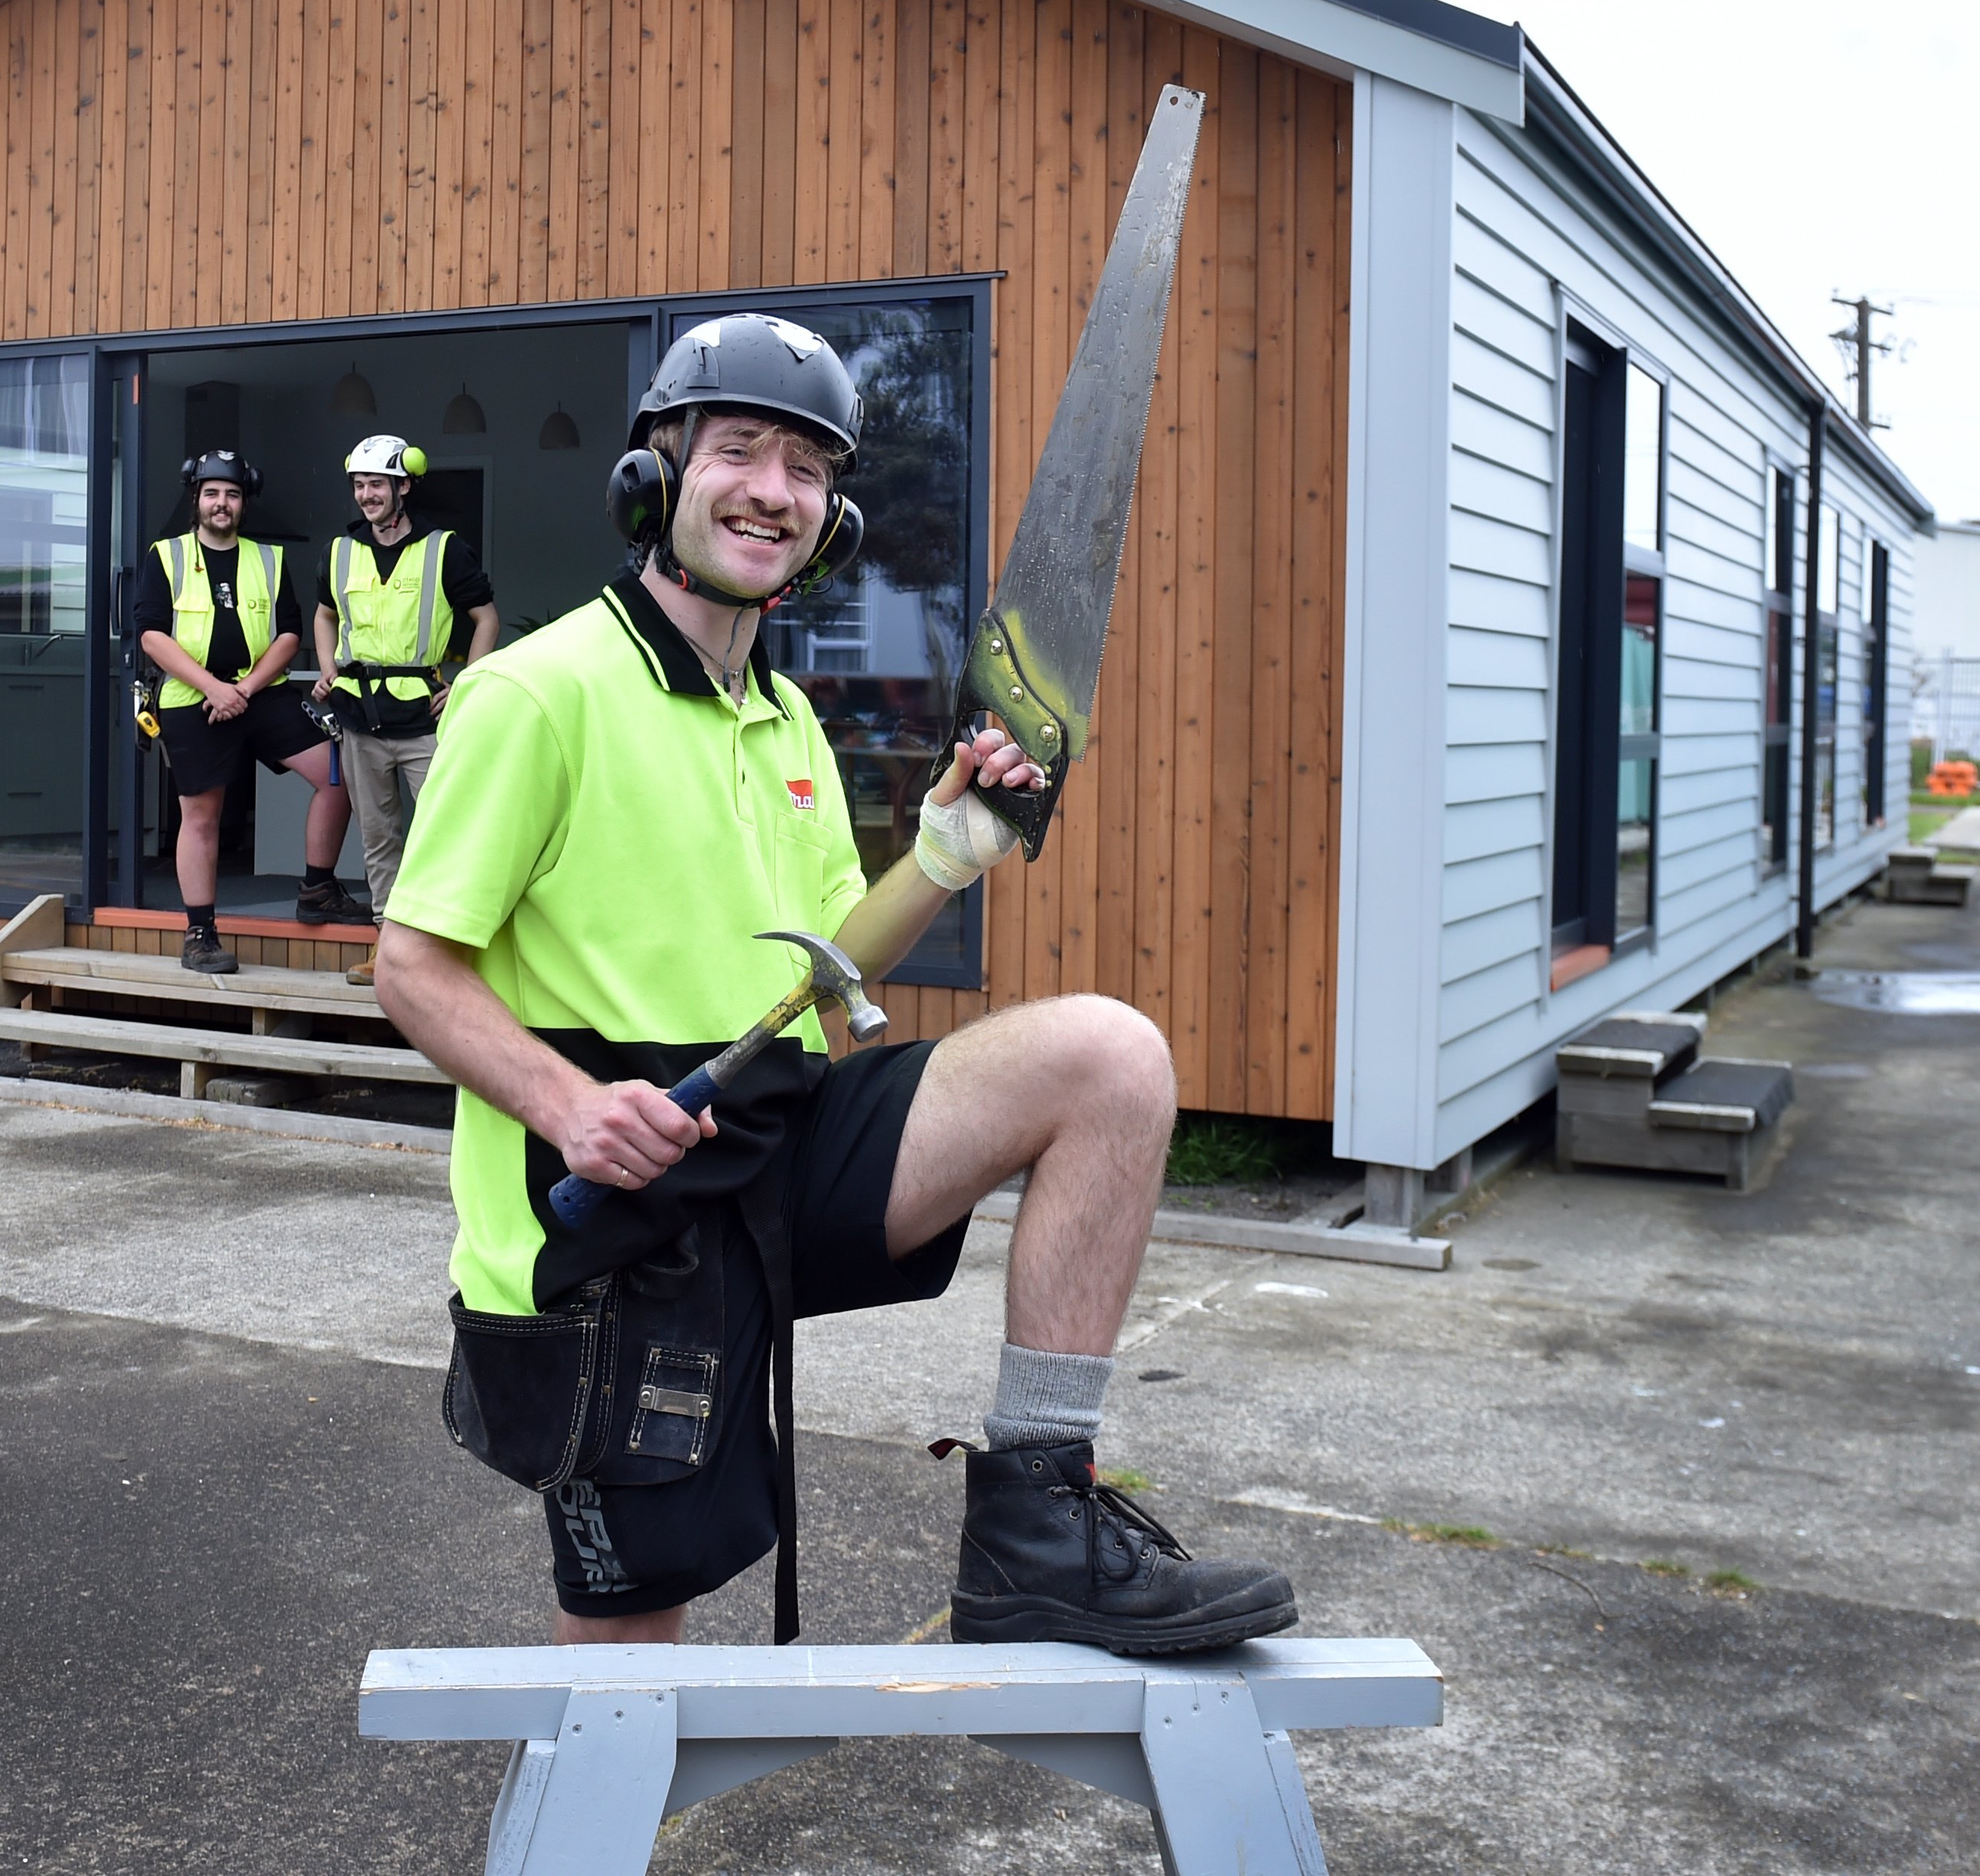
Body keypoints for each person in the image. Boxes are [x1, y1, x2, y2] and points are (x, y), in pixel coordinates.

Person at [375, 315, 1296, 1651]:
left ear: (830, 516)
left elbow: (822, 980)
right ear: (654, 475)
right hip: (607, 1218)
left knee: (1107, 1056)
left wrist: (939, 852)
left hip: (772, 1148)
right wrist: (575, 1108)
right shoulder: (535, 692)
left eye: (805, 467)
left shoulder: (785, 718)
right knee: (630, 1656)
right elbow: (411, 963)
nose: (770, 487)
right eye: (737, 448)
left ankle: (1040, 1517)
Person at [135, 450, 369, 976]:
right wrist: (214, 690)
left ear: (245, 503)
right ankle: (200, 933)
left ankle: (317, 889)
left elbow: (290, 634)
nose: (223, 503)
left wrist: (242, 689)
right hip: (191, 699)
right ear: (196, 498)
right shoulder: (165, 556)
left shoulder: (269, 559)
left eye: (233, 495)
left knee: (339, 772)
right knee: (202, 818)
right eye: (213, 493)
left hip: (262, 695)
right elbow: (152, 635)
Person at [312, 436, 499, 987]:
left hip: (425, 721)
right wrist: (328, 667)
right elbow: (325, 615)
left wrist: (466, 682)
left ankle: (454, 952)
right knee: (379, 839)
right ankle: (388, 951)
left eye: (377, 485)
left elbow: (485, 618)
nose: (367, 495)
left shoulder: (445, 549)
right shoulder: (340, 551)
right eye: (359, 485)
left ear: (404, 487)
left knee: (448, 832)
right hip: (359, 718)